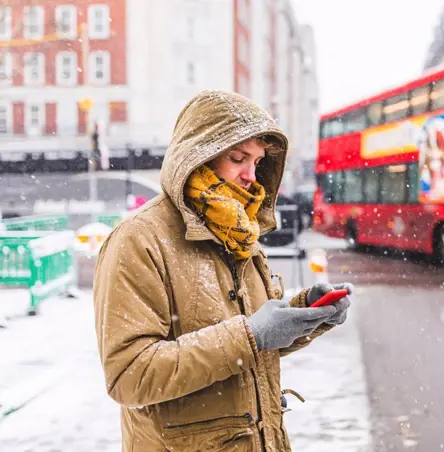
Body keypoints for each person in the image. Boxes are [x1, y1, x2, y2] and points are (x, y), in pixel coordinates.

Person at [93, 90, 353, 452]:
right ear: (198, 153)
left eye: (257, 161)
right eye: (237, 158)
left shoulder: (239, 232)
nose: (251, 175)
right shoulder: (139, 239)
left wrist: (305, 313)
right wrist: (251, 335)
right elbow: (129, 375)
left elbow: (255, 341)